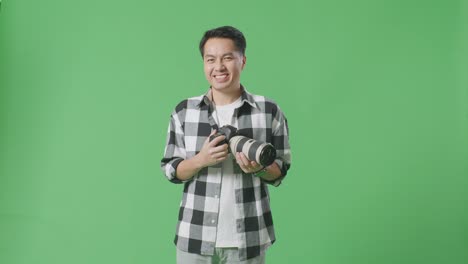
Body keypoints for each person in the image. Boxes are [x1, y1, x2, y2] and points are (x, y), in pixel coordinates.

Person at [161, 25, 292, 264]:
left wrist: (259, 168)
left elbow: (280, 171)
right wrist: (202, 160)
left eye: (227, 58)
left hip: (249, 238)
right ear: (204, 63)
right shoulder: (184, 111)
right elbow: (171, 170)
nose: (218, 67)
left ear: (242, 61)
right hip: (195, 236)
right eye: (210, 59)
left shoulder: (269, 110)